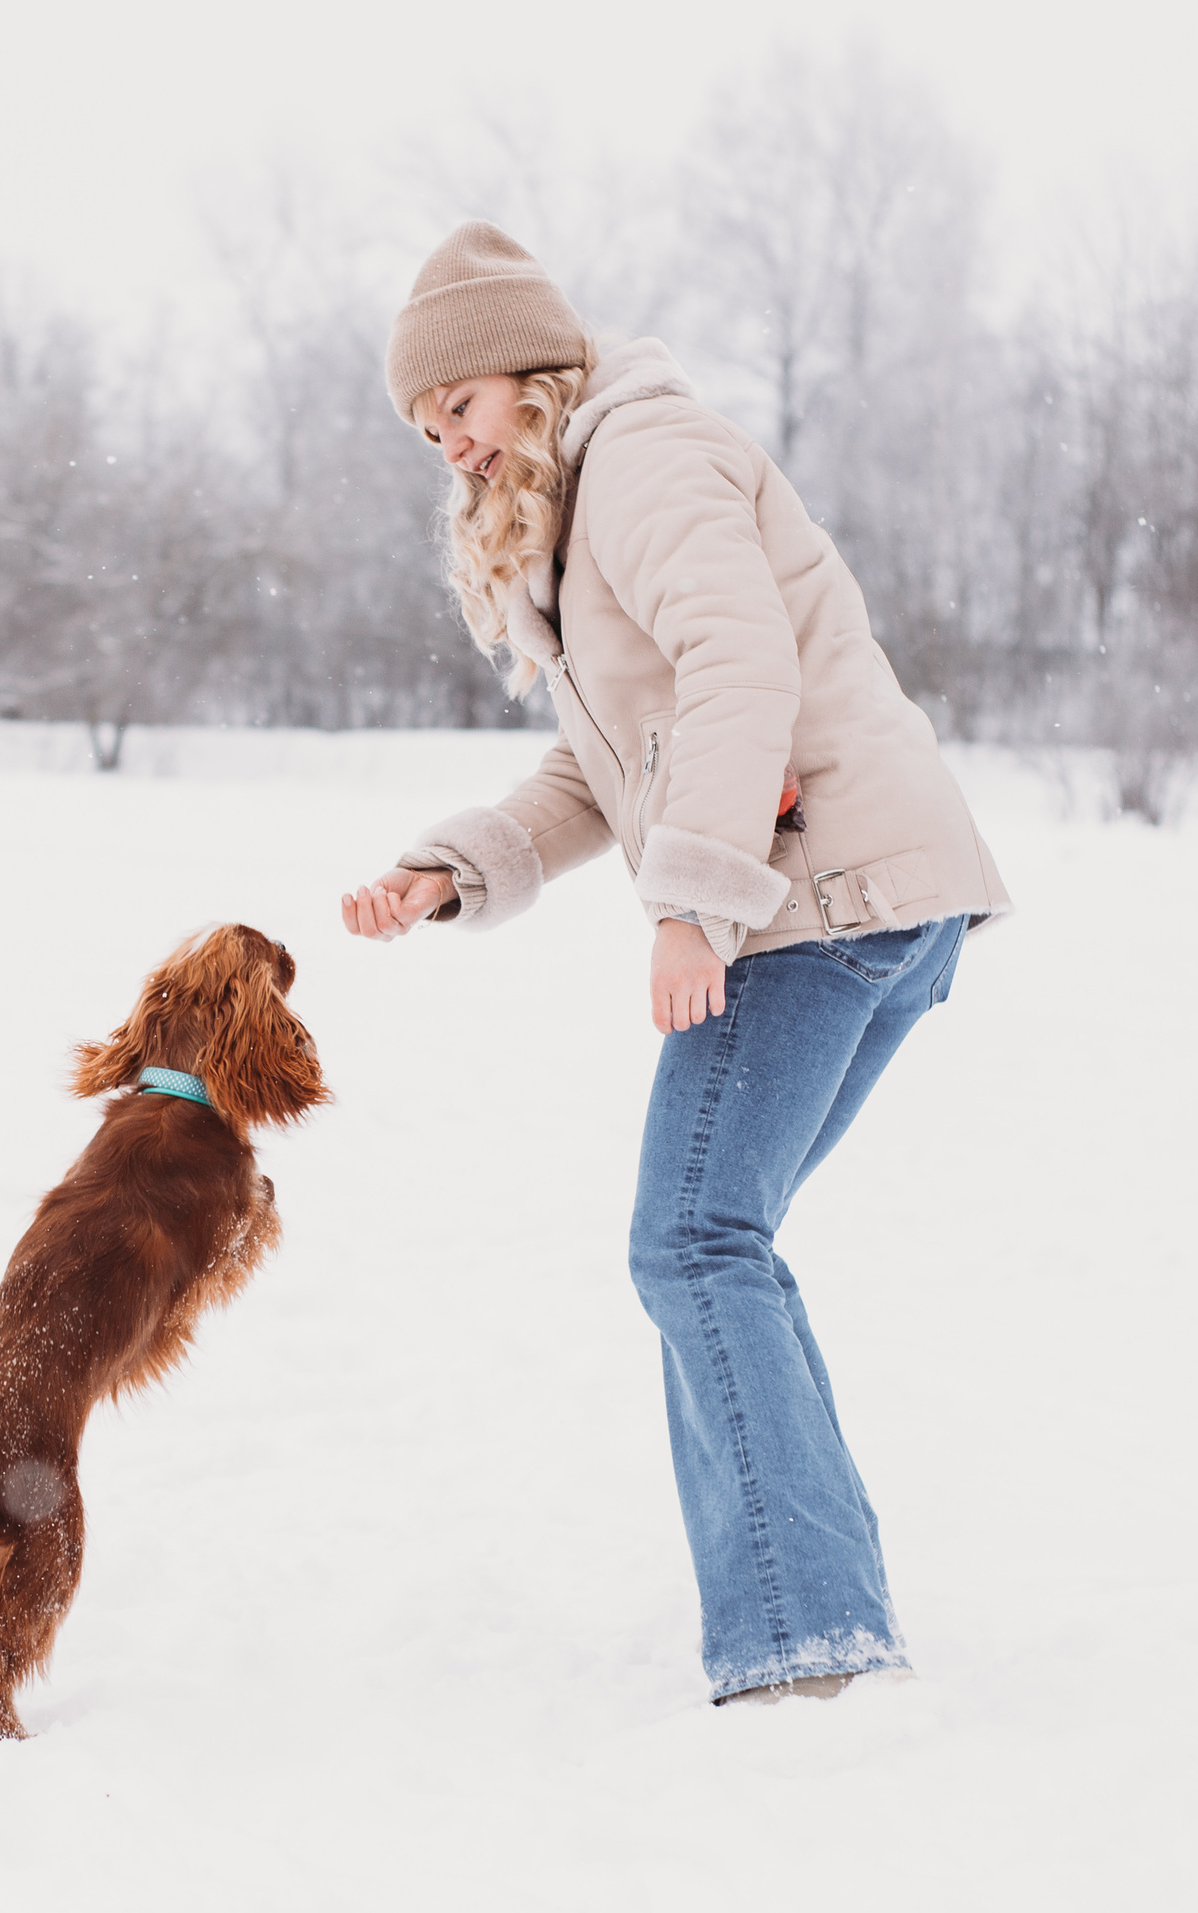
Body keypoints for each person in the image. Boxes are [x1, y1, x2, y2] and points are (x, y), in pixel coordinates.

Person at [342, 223, 1011, 1707]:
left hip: (816, 897)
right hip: (870, 898)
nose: (445, 443)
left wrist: (693, 907)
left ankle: (808, 1635)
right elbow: (599, 776)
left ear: (527, 370)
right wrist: (451, 870)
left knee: (694, 1242)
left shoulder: (641, 459)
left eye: (455, 406)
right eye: (424, 426)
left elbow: (740, 668)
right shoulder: (581, 514)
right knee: (718, 1247)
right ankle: (815, 1609)